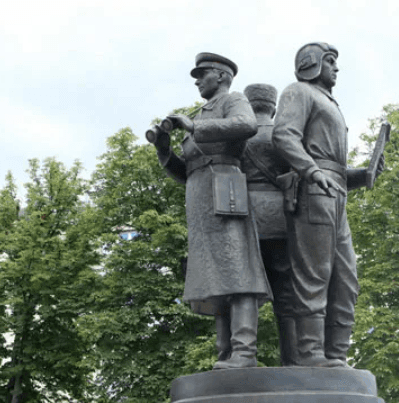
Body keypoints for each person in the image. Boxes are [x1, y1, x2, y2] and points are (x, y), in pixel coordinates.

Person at [153, 52, 271, 369]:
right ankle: (225, 352)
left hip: (225, 190)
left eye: (201, 73)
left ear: (220, 75)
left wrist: (193, 126)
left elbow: (246, 125)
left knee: (237, 270)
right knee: (213, 277)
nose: (196, 80)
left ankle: (244, 351)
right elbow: (186, 170)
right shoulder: (200, 111)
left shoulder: (232, 100)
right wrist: (164, 150)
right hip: (199, 196)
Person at [272, 42, 384, 366]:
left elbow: (332, 168)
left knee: (347, 280)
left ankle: (336, 356)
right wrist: (310, 169)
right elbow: (284, 135)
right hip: (312, 193)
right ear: (312, 63)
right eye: (330, 61)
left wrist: (364, 175)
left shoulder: (330, 102)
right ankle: (309, 354)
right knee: (315, 276)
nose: (336, 68)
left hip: (335, 194)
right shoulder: (299, 92)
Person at [241, 82, 297, 365]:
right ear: (273, 107)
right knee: (286, 294)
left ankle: (241, 354)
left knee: (244, 290)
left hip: (242, 218)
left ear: (248, 106)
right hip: (281, 219)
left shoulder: (236, 136)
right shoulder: (285, 133)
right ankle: (294, 359)